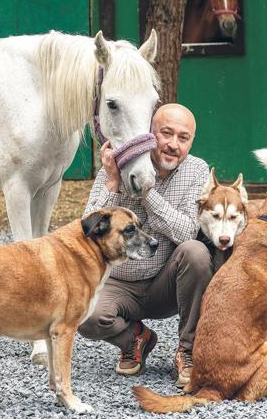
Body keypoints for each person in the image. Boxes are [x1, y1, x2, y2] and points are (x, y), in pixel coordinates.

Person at [78, 103, 211, 388]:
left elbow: (188, 231)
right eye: (166, 134)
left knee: (196, 253)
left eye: (183, 138)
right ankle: (135, 338)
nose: (173, 144)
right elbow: (87, 230)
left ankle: (187, 351)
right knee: (83, 315)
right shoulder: (116, 165)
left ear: (191, 142)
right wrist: (113, 182)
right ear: (149, 134)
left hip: (165, 284)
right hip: (119, 283)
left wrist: (146, 193)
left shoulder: (197, 170)